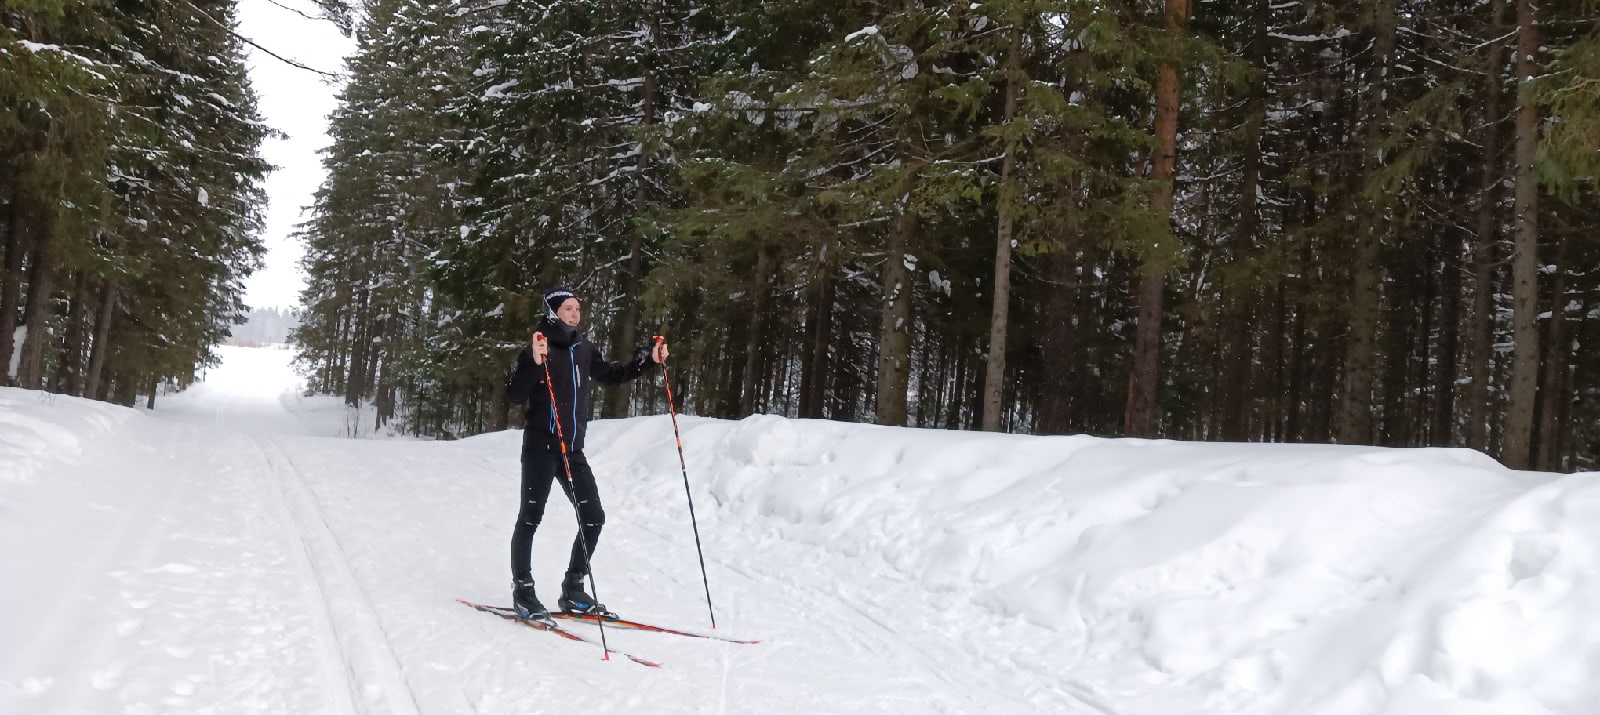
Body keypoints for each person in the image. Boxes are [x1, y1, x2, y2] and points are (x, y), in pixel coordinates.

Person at [504, 286, 668, 620]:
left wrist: (648, 361)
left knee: (594, 517)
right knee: (530, 518)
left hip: (572, 450)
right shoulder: (538, 348)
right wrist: (535, 363)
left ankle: (573, 589)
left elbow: (612, 375)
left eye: (577, 308)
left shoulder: (583, 349)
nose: (575, 314)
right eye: (567, 308)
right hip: (541, 447)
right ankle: (523, 590)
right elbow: (515, 395)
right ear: (553, 313)